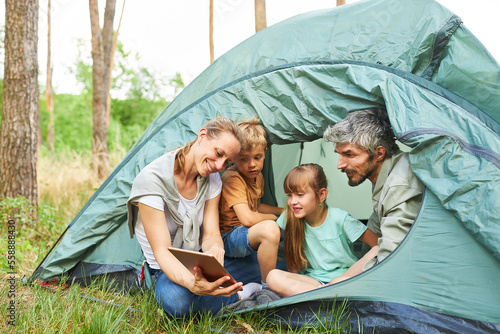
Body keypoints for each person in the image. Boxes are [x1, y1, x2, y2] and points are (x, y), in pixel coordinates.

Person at [126, 117, 262, 318]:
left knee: (261, 267)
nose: (218, 165)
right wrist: (192, 284)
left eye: (227, 162)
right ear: (202, 136)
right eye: (218, 153)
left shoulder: (212, 179)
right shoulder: (152, 181)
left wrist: (216, 249)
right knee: (177, 302)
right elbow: (162, 252)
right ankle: (238, 297)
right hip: (166, 269)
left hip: (199, 260)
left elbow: (211, 233)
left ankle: (222, 290)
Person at [323, 107, 424, 281]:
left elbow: (391, 260)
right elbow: (374, 235)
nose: (340, 165)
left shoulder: (399, 186)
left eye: (349, 154)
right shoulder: (385, 174)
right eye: (339, 155)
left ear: (378, 153)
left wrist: (339, 285)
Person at [266, 163, 378, 297]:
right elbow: (292, 265)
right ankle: (326, 296)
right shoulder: (290, 217)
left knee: (375, 252)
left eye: (300, 194)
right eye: (289, 195)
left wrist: (341, 279)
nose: (292, 201)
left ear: (321, 194)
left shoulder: (339, 218)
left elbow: (378, 245)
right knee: (272, 277)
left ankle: (323, 296)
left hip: (344, 279)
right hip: (314, 282)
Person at [219, 119, 283, 286]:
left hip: (244, 232)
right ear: (234, 158)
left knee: (285, 224)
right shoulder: (233, 178)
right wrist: (275, 219)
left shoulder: (256, 175)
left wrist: (282, 211)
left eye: (257, 157)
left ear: (265, 152)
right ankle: (267, 286)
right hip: (228, 237)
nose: (252, 164)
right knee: (270, 229)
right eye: (244, 159)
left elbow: (256, 206)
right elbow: (247, 218)